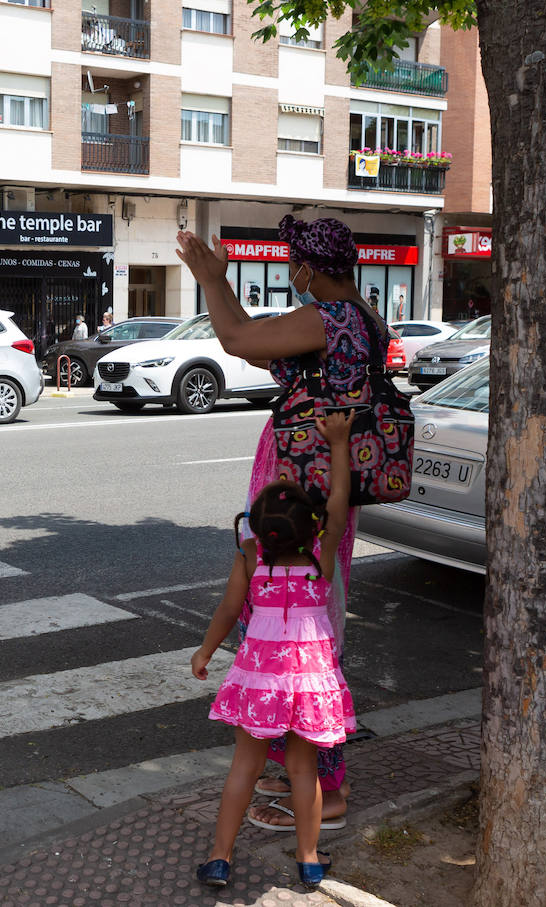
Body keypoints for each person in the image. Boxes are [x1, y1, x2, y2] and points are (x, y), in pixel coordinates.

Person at [177, 214, 391, 832]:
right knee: (305, 626)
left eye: (294, 262)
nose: (291, 272)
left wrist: (211, 279)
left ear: (309, 267)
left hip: (308, 485)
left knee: (304, 633)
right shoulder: (365, 315)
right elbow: (255, 337)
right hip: (326, 484)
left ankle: (328, 788)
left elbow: (238, 340)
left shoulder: (332, 317)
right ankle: (296, 763)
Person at [192, 412, 357, 890]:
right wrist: (339, 445)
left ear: (257, 532)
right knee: (303, 769)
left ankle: (220, 857)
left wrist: (205, 652)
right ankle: (308, 860)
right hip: (309, 682)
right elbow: (341, 505)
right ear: (313, 528)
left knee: (245, 765)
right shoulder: (319, 561)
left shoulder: (250, 559)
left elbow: (227, 611)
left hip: (259, 680)